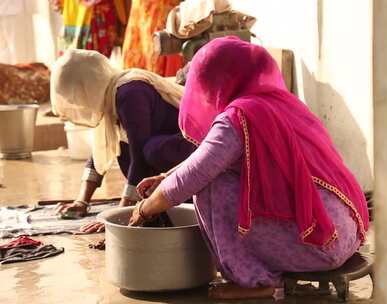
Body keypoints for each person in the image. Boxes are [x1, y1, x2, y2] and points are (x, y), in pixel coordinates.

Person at [129, 37, 370, 300]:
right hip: (347, 232)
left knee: (212, 185)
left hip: (317, 245)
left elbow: (192, 178)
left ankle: (255, 280)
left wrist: (144, 209)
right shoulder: (278, 103)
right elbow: (204, 158)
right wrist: (166, 176)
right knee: (217, 175)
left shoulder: (237, 118)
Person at [51, 49, 194, 232]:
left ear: (87, 86)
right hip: (169, 150)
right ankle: (152, 199)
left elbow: (139, 157)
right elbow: (99, 151)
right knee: (121, 147)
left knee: (150, 150)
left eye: (76, 95)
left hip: (189, 147)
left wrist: (119, 217)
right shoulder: (110, 94)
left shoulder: (129, 93)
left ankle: (180, 196)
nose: (77, 102)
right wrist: (81, 201)